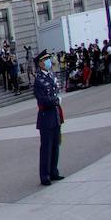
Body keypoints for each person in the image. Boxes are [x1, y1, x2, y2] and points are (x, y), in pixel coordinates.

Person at [33, 50, 64, 185]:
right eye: (45, 60)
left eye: (48, 59)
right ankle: (44, 175)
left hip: (55, 116)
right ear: (40, 63)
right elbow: (42, 100)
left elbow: (55, 91)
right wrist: (56, 100)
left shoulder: (51, 76)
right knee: (46, 148)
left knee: (55, 146)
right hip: (46, 117)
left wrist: (56, 100)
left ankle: (53, 171)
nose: (48, 62)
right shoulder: (38, 80)